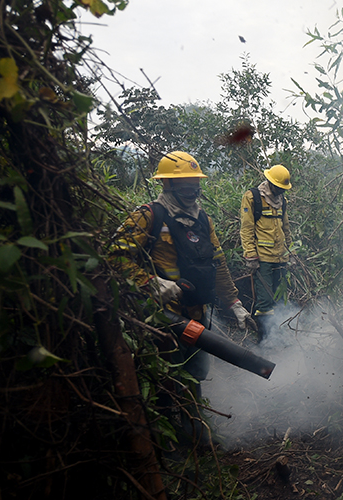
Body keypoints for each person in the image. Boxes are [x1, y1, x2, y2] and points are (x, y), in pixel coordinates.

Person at [109, 150, 253, 445]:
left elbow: (218, 262)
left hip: (197, 315)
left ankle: (195, 435)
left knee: (195, 375)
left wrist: (234, 303)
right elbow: (114, 256)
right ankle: (165, 443)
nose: (191, 191)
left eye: (194, 185)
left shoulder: (202, 219)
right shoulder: (149, 215)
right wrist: (150, 283)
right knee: (164, 381)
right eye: (184, 185)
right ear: (168, 185)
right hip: (163, 319)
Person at [240, 164, 293, 336]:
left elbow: (286, 228)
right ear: (271, 183)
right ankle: (264, 341)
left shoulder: (282, 201)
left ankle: (279, 337)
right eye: (279, 187)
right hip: (263, 260)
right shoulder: (253, 197)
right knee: (265, 302)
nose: (281, 191)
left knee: (280, 300)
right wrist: (250, 255)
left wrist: (291, 252)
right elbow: (246, 228)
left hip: (281, 259)